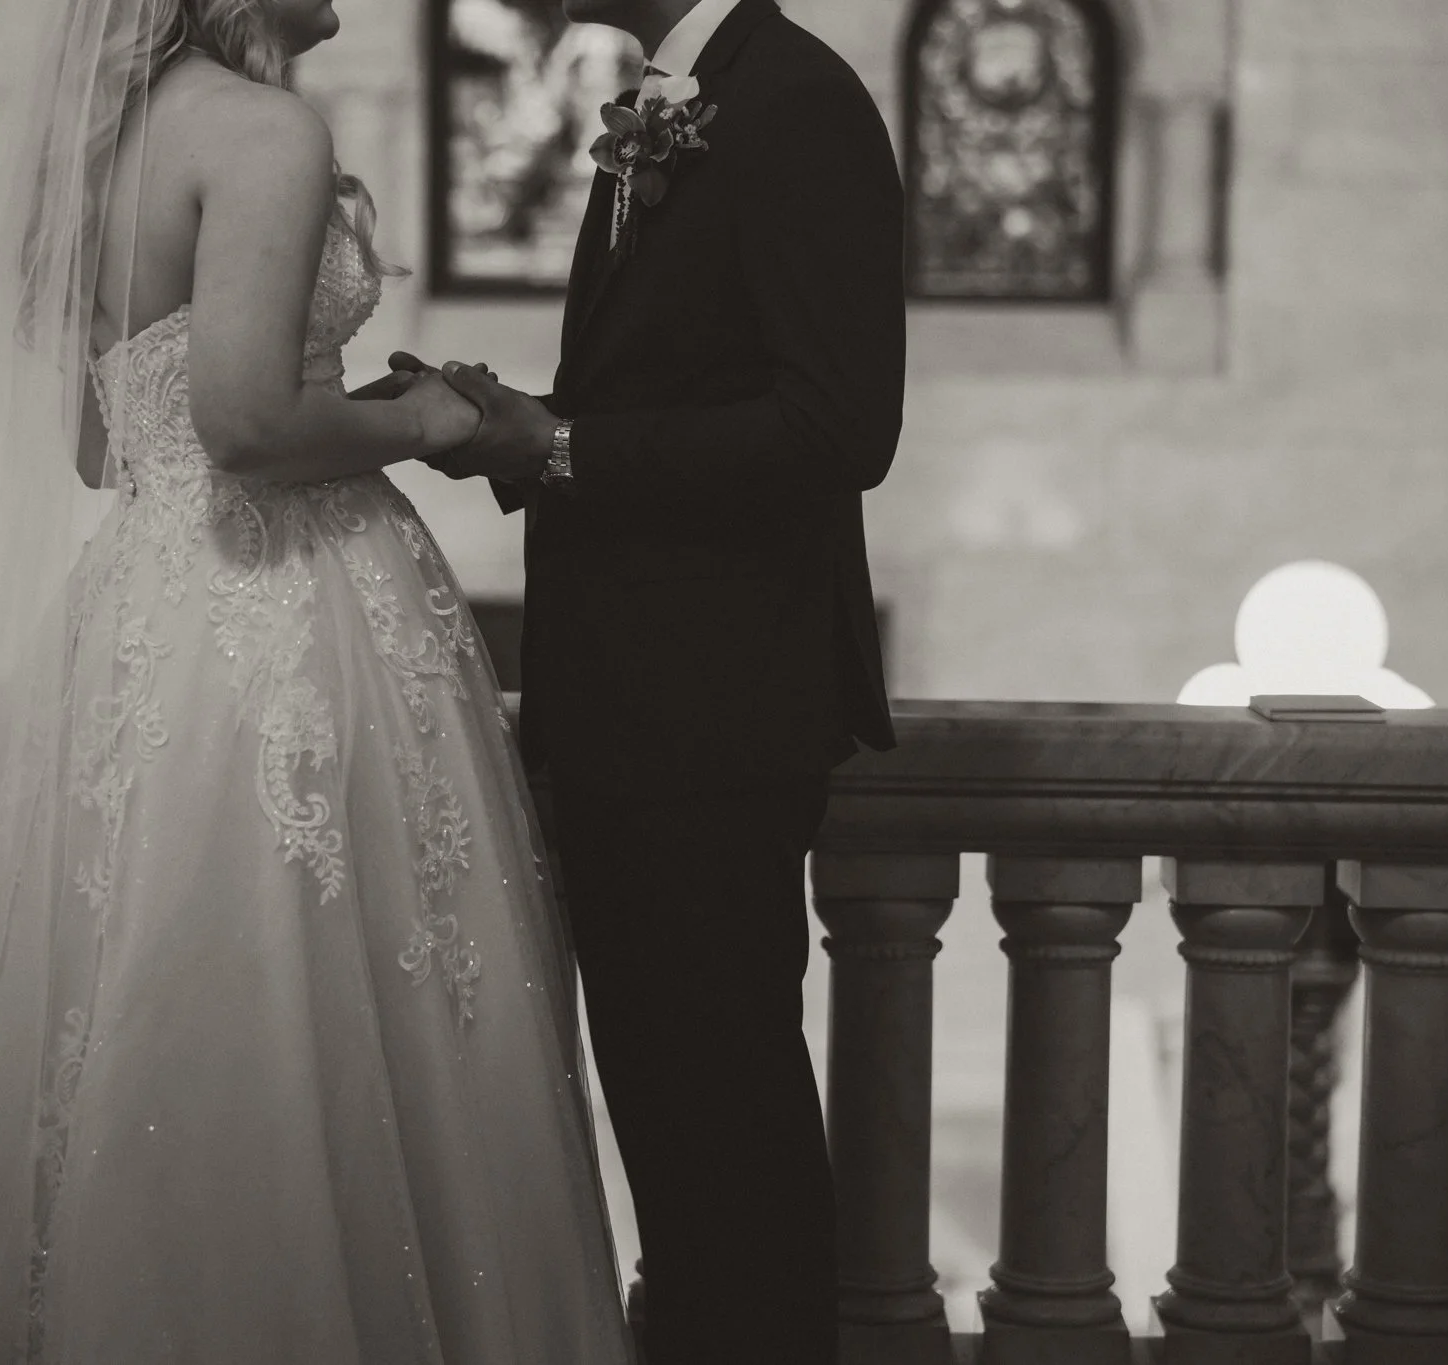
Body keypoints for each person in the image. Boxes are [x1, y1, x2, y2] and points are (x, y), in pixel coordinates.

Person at [0, 1, 633, 1361]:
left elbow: (107, 451)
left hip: (145, 616)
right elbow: (250, 427)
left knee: (145, 1001)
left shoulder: (90, 150)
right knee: (320, 1006)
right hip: (293, 618)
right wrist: (433, 417)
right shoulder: (264, 133)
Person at [403, 0, 907, 1360]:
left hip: (714, 717)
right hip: (639, 710)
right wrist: (521, 430)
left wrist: (555, 447)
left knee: (725, 1129)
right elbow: (669, 385)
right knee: (678, 1143)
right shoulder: (686, 98)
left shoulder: (794, 102)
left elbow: (838, 425)